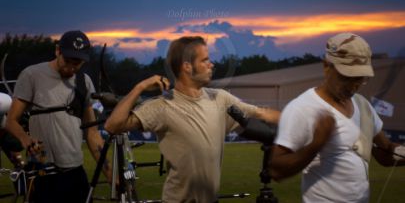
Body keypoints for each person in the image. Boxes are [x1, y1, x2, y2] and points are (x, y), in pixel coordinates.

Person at [104, 36, 280, 203]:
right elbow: (113, 126)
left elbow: (264, 114)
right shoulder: (163, 105)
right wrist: (139, 87)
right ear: (187, 67)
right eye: (205, 60)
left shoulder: (221, 99)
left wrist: (304, 121)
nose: (212, 64)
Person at [270, 33, 405, 203]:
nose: (353, 86)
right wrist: (316, 145)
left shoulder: (363, 105)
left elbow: (385, 152)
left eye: (360, 79)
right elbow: (276, 171)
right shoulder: (302, 108)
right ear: (327, 66)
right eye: (347, 77)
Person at [6, 30, 112, 203]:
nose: (71, 67)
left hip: (75, 172)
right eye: (67, 61)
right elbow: (11, 120)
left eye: (76, 63)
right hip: (41, 170)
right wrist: (25, 138)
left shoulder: (84, 82)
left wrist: (110, 174)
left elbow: (92, 133)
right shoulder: (32, 75)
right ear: (57, 51)